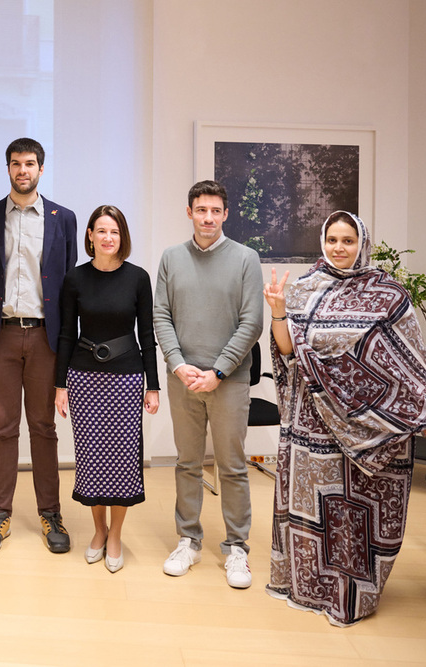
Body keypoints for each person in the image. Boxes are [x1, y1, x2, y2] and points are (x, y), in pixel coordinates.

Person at [263, 211, 426, 626]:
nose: (339, 248)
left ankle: (350, 594)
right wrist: (279, 312)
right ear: (322, 242)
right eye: (332, 239)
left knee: (353, 512)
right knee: (313, 511)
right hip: (310, 426)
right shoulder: (302, 290)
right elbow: (287, 355)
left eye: (348, 240)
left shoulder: (389, 295)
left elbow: (409, 364)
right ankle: (307, 587)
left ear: (362, 243)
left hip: (367, 431)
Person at [153, 180, 262, 588]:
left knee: (232, 466)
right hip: (183, 379)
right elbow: (161, 315)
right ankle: (188, 540)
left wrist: (217, 372)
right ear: (189, 212)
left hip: (229, 382)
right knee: (186, 463)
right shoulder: (171, 258)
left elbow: (252, 322)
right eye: (201, 210)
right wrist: (179, 367)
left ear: (226, 214)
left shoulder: (246, 259)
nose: (208, 218)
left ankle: (237, 548)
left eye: (215, 211)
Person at [0, 137, 77, 555]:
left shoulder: (63, 218)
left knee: (44, 426)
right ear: (8, 168)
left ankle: (51, 512)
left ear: (41, 169)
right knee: (3, 426)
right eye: (15, 163)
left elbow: (69, 281)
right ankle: (0, 514)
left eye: (29, 163)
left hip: (46, 337)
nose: (22, 170)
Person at [54, 205, 159, 573]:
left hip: (127, 379)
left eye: (113, 231)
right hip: (84, 379)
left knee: (123, 459)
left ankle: (116, 534)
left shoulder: (138, 278)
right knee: (93, 459)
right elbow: (67, 333)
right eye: (101, 231)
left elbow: (147, 335)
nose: (107, 238)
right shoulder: (75, 279)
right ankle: (98, 531)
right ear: (90, 236)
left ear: (122, 237)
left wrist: (153, 385)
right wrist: (60, 384)